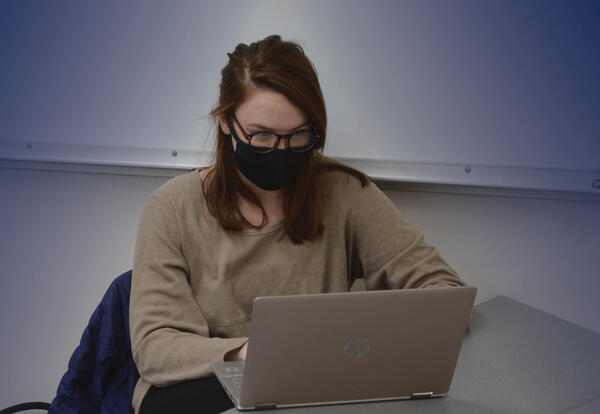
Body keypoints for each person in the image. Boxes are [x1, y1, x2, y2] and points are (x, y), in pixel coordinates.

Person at [129, 34, 466, 414]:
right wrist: (247, 353)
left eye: (298, 135)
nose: (281, 150)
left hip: (309, 386)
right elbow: (155, 348)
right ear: (225, 122)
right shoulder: (171, 208)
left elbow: (443, 294)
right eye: (262, 135)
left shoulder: (345, 193)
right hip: (202, 385)